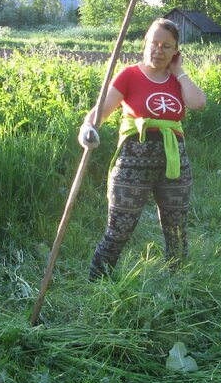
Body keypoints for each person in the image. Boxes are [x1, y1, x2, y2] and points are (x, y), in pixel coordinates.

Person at [79, 18, 208, 279]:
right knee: (119, 229)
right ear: (145, 44)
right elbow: (101, 112)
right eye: (154, 43)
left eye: (167, 46)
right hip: (132, 163)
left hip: (174, 164)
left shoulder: (177, 80)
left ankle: (178, 284)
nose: (158, 50)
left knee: (177, 230)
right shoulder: (129, 75)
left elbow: (198, 103)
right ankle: (96, 283)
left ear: (175, 52)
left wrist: (179, 72)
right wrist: (87, 128)